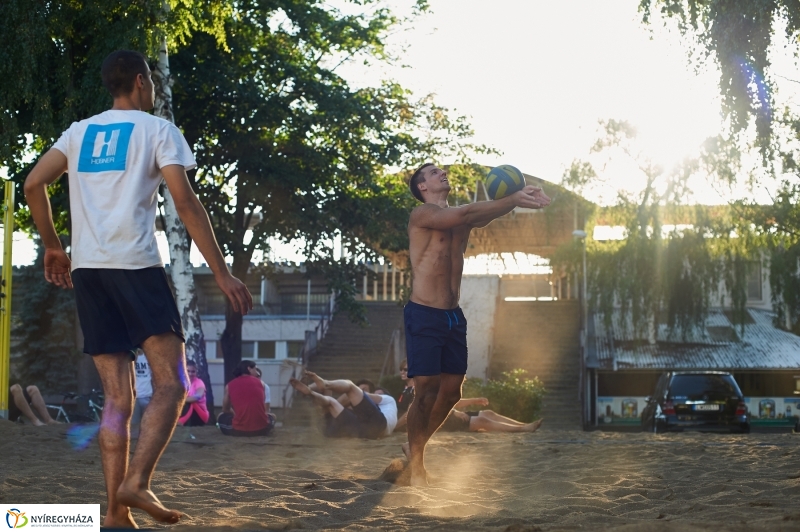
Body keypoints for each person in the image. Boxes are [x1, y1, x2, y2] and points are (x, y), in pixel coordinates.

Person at [24, 50, 252, 528]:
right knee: (172, 385)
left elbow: (32, 185)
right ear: (142, 82)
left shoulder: (78, 132)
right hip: (135, 267)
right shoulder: (158, 130)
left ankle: (114, 514)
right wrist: (222, 271)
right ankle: (137, 481)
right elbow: (185, 202)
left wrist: (52, 246)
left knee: (117, 399)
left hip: (89, 272)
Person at [405, 163, 550, 485]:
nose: (441, 172)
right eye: (432, 172)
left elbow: (482, 214)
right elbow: (470, 214)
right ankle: (416, 465)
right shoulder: (423, 215)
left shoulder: (460, 216)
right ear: (423, 187)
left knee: (452, 391)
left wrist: (516, 196)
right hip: (424, 312)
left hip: (453, 315)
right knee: (426, 390)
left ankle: (414, 447)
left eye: (440, 170)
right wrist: (514, 198)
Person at [289, 371, 396, 438]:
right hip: (364, 432)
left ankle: (322, 385)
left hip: (379, 425)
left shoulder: (389, 399)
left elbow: (357, 395)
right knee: (331, 402)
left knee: (350, 386)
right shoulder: (366, 411)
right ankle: (311, 393)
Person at [218, 360, 275, 437]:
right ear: (249, 369)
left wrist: (235, 415)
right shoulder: (262, 383)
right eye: (255, 369)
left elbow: (225, 409)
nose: (257, 373)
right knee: (273, 417)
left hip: (239, 430)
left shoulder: (230, 385)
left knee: (220, 416)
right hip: (262, 429)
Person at [178, 361, 209, 427]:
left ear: (196, 372)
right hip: (189, 414)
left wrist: (182, 400)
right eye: (188, 371)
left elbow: (198, 396)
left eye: (193, 371)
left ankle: (180, 421)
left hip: (200, 416)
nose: (190, 374)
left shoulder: (199, 382)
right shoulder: (182, 383)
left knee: (190, 401)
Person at [131, 349, 152, 425]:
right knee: (134, 424)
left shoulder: (149, 356)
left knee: (148, 424)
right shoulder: (131, 356)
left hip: (148, 395)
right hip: (135, 397)